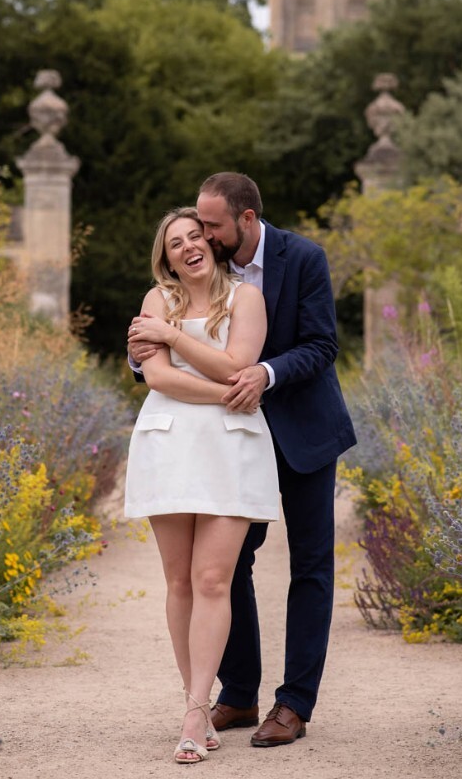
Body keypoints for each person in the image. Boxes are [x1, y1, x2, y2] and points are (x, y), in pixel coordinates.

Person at [131, 174, 357, 749]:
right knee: (225, 570)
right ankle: (237, 692)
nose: (202, 235)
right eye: (195, 228)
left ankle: (295, 703)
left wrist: (265, 373)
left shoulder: (302, 257)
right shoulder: (197, 275)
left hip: (300, 429)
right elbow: (159, 350)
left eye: (210, 226)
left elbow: (322, 344)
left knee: (310, 565)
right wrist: (146, 356)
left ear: (246, 220)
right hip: (227, 436)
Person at [124, 206, 279, 765]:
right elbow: (159, 378)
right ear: (165, 257)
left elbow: (239, 360)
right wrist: (230, 389)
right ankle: (199, 703)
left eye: (195, 236)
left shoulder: (247, 298)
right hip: (168, 444)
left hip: (232, 449)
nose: (187, 247)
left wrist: (169, 337)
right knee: (179, 581)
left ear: (211, 244)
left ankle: (195, 712)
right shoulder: (156, 299)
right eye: (174, 243)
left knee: (214, 578)